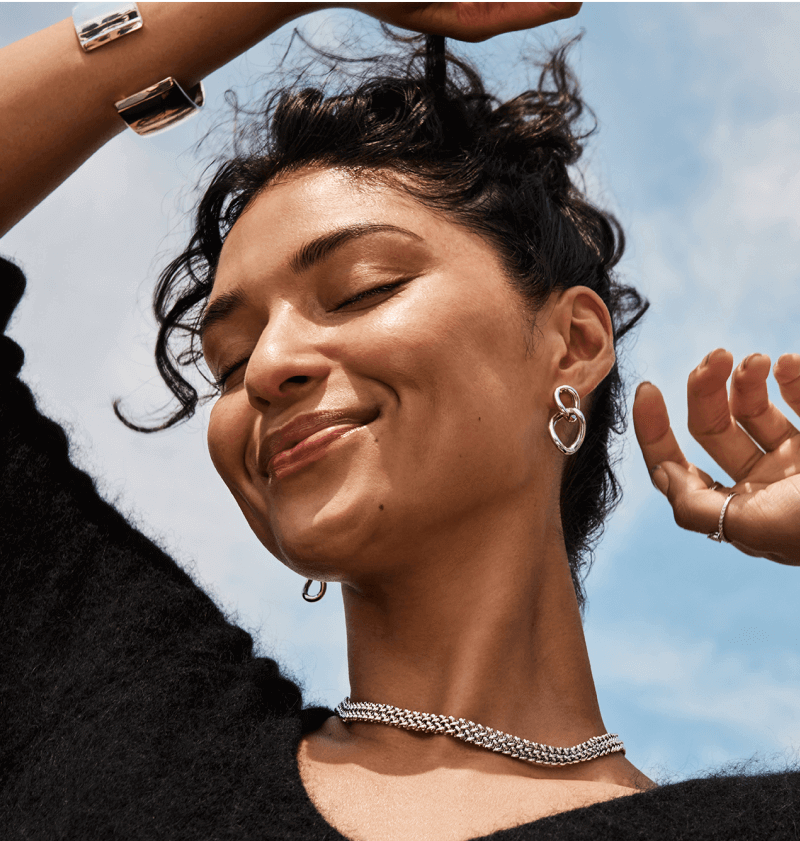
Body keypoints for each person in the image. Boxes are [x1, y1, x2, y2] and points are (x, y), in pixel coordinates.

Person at [1, 3, 798, 839]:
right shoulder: (125, 732)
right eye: (230, 363)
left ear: (573, 343)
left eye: (362, 289)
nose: (270, 367)